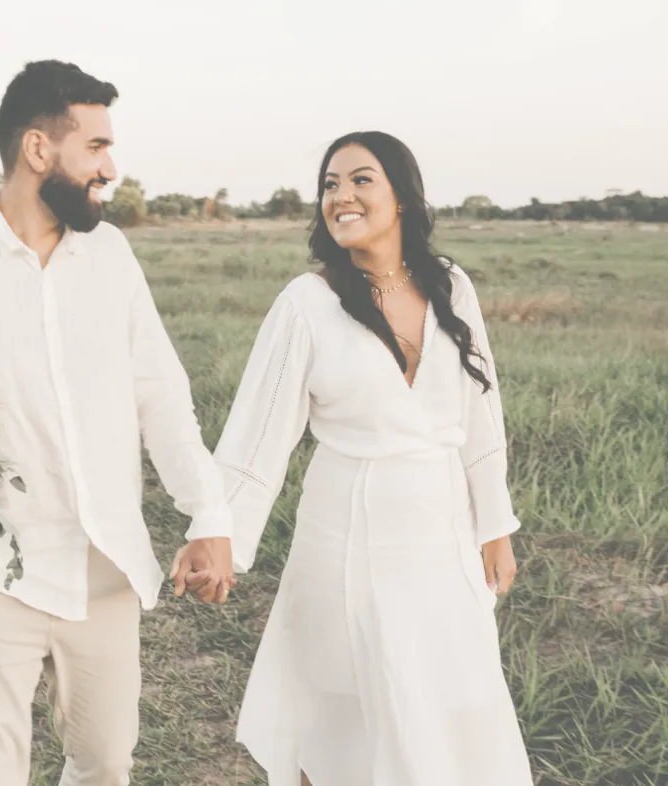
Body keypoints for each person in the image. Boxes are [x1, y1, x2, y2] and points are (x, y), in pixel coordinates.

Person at [0, 60, 235, 786]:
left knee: (106, 761)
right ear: (38, 149)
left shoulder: (112, 255)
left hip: (104, 567)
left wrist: (206, 512)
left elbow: (160, 393)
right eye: (95, 147)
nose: (111, 167)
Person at [212, 131, 534, 785]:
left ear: (403, 198)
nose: (342, 196)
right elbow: (258, 431)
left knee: (452, 700)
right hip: (345, 534)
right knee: (340, 708)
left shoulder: (451, 286)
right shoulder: (307, 302)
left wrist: (494, 524)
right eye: (330, 184)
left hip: (440, 529)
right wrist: (219, 536)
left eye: (361, 179)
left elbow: (482, 413)